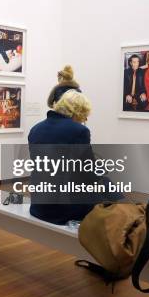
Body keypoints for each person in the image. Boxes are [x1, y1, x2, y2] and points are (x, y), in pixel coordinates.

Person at [28, 90, 101, 225]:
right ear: (78, 111)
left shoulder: (35, 129)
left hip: (38, 206)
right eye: (84, 116)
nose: (84, 120)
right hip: (63, 210)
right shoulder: (79, 131)